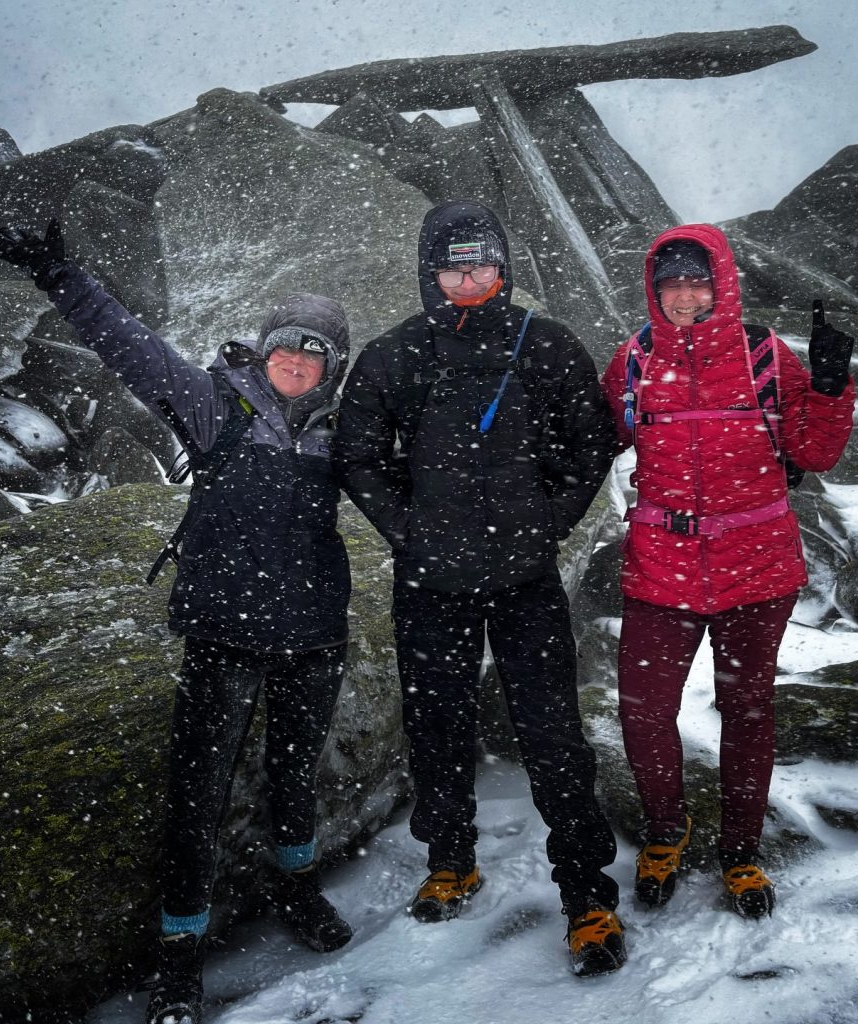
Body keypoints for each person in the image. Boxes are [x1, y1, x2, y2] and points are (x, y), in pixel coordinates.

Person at [0, 220, 354, 1024]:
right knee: (196, 795)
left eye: (314, 350)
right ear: (262, 350)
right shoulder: (213, 404)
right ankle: (179, 953)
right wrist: (59, 270)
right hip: (224, 631)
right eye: (283, 345)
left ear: (334, 366)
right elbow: (128, 344)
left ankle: (295, 888)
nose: (295, 359)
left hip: (314, 635)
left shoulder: (346, 432)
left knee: (296, 778)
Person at [336, 199, 624, 977]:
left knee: (554, 737)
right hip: (432, 582)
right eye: (455, 265)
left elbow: (593, 441)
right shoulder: (397, 353)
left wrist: (551, 519)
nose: (470, 278)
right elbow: (357, 451)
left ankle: (587, 893)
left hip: (524, 579)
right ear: (431, 271)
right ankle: (451, 861)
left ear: (503, 268)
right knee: (437, 727)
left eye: (483, 264)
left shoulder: (546, 344)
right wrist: (409, 526)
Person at [600, 224, 855, 919]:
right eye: (671, 283)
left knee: (748, 710)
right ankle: (665, 831)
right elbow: (593, 435)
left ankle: (741, 852)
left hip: (757, 568)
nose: (684, 295)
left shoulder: (765, 357)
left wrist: (830, 389)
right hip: (661, 567)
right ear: (655, 291)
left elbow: (814, 450)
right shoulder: (635, 359)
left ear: (721, 283)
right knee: (645, 711)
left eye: (696, 281)